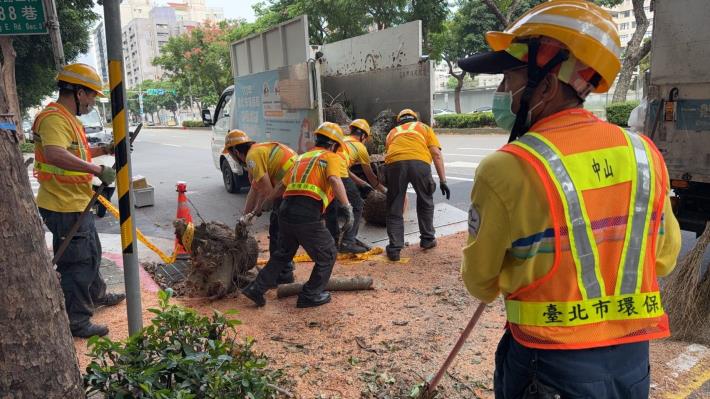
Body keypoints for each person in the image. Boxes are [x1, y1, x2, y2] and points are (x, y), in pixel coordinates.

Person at [457, 1, 682, 397]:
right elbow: (664, 257)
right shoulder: (645, 154)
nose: (502, 94)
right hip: (630, 364)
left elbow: (480, 282)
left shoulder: (507, 169)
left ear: (545, 85)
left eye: (509, 80)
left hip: (548, 366)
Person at [33, 63, 125, 338]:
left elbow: (77, 153)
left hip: (74, 201)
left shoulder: (67, 118)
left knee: (91, 253)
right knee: (77, 263)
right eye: (92, 95)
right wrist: (97, 170)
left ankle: (96, 295)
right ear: (79, 92)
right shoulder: (54, 119)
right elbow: (54, 154)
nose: (93, 101)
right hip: (62, 205)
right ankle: (78, 321)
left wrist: (104, 150)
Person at [241, 122, 354, 308]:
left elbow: (281, 186)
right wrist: (347, 208)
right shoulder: (331, 157)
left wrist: (267, 202)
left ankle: (256, 288)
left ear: (317, 139)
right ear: (334, 144)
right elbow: (334, 179)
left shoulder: (301, 158)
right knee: (327, 254)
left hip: (285, 210)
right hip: (307, 211)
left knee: (283, 253)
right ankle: (310, 294)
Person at [223, 129, 297, 284]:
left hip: (292, 187)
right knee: (281, 229)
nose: (232, 158)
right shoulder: (257, 151)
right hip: (290, 185)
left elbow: (268, 192)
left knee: (277, 230)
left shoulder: (252, 157)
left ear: (236, 151)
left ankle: (282, 273)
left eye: (230, 154)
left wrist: (257, 211)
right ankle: (282, 269)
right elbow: (255, 189)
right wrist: (245, 216)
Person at [384, 108, 450, 261]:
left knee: (394, 206)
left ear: (399, 120)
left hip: (394, 164)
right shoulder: (424, 127)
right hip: (419, 163)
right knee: (425, 201)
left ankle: (394, 248)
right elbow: (436, 154)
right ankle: (427, 240)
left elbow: (389, 152)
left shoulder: (392, 132)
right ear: (414, 118)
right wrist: (442, 180)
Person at [338, 119, 386, 253]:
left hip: (330, 170)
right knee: (357, 205)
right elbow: (371, 176)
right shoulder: (360, 147)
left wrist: (361, 183)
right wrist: (384, 190)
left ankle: (334, 239)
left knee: (331, 207)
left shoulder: (342, 140)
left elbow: (345, 168)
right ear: (363, 136)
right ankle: (348, 242)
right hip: (338, 173)